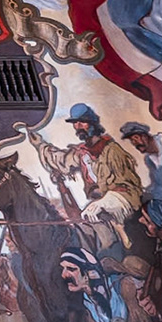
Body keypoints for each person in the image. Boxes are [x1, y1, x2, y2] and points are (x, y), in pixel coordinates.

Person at [64, 104, 142, 253]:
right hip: (101, 204)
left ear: (93, 123)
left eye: (82, 122)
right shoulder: (83, 154)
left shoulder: (112, 150)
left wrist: (104, 202)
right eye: (75, 123)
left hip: (124, 201)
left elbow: (128, 187)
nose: (78, 126)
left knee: (95, 213)